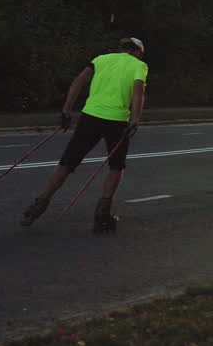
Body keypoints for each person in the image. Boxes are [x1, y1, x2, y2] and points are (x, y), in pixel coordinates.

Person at [22, 37, 148, 233]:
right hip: (116, 120)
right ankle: (102, 214)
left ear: (122, 48)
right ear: (138, 52)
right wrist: (135, 120)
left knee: (68, 163)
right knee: (116, 166)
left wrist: (66, 110)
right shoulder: (139, 65)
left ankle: (39, 204)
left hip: (90, 117)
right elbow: (138, 93)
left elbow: (78, 82)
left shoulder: (100, 59)